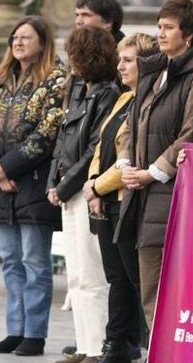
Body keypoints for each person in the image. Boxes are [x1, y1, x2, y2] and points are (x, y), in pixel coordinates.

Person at [116, 0, 193, 328]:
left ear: (188, 34)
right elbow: (134, 122)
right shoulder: (154, 71)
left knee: (163, 288)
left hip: (171, 191)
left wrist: (152, 172)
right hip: (141, 190)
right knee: (147, 286)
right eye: (159, 26)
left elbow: (192, 132)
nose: (160, 33)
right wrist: (127, 164)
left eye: (169, 27)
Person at [0, 16, 69, 356]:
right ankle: (14, 329)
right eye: (15, 37)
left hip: (32, 182)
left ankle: (34, 333)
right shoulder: (0, 81)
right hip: (1, 184)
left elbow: (47, 133)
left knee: (35, 261)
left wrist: (6, 166)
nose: (18, 42)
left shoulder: (57, 80)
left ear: (43, 42)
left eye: (26, 37)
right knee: (10, 259)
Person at [48, 26, 121, 363]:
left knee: (91, 272)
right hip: (67, 189)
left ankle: (97, 345)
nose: (70, 60)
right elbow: (63, 141)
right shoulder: (78, 90)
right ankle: (82, 343)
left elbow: (94, 146)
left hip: (84, 188)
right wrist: (54, 182)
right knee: (75, 273)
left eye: (75, 52)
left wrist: (65, 185)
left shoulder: (106, 92)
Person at [84, 33, 158, 363]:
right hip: (106, 197)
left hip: (126, 198)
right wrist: (92, 183)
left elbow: (127, 157)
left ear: (146, 64)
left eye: (127, 60)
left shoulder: (146, 100)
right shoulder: (123, 98)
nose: (120, 66)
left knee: (133, 277)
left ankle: (139, 344)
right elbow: (103, 145)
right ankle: (117, 343)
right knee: (116, 277)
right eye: (120, 59)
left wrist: (98, 186)